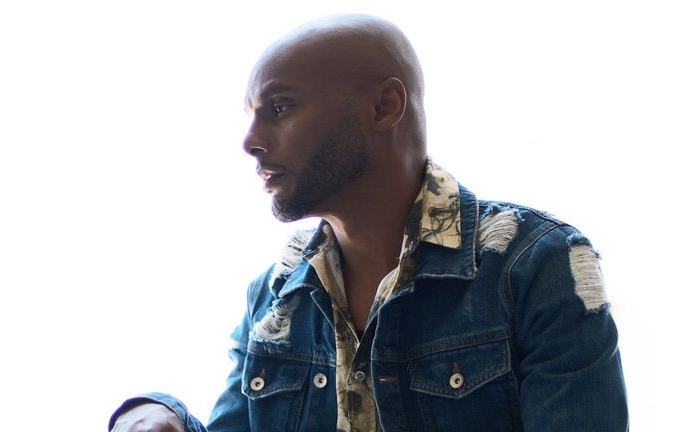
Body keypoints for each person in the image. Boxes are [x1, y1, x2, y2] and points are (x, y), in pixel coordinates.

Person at [109, 14, 628, 432]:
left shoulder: (535, 266)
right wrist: (155, 414)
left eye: (280, 107)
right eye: (252, 113)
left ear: (384, 106)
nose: (250, 141)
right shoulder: (275, 296)